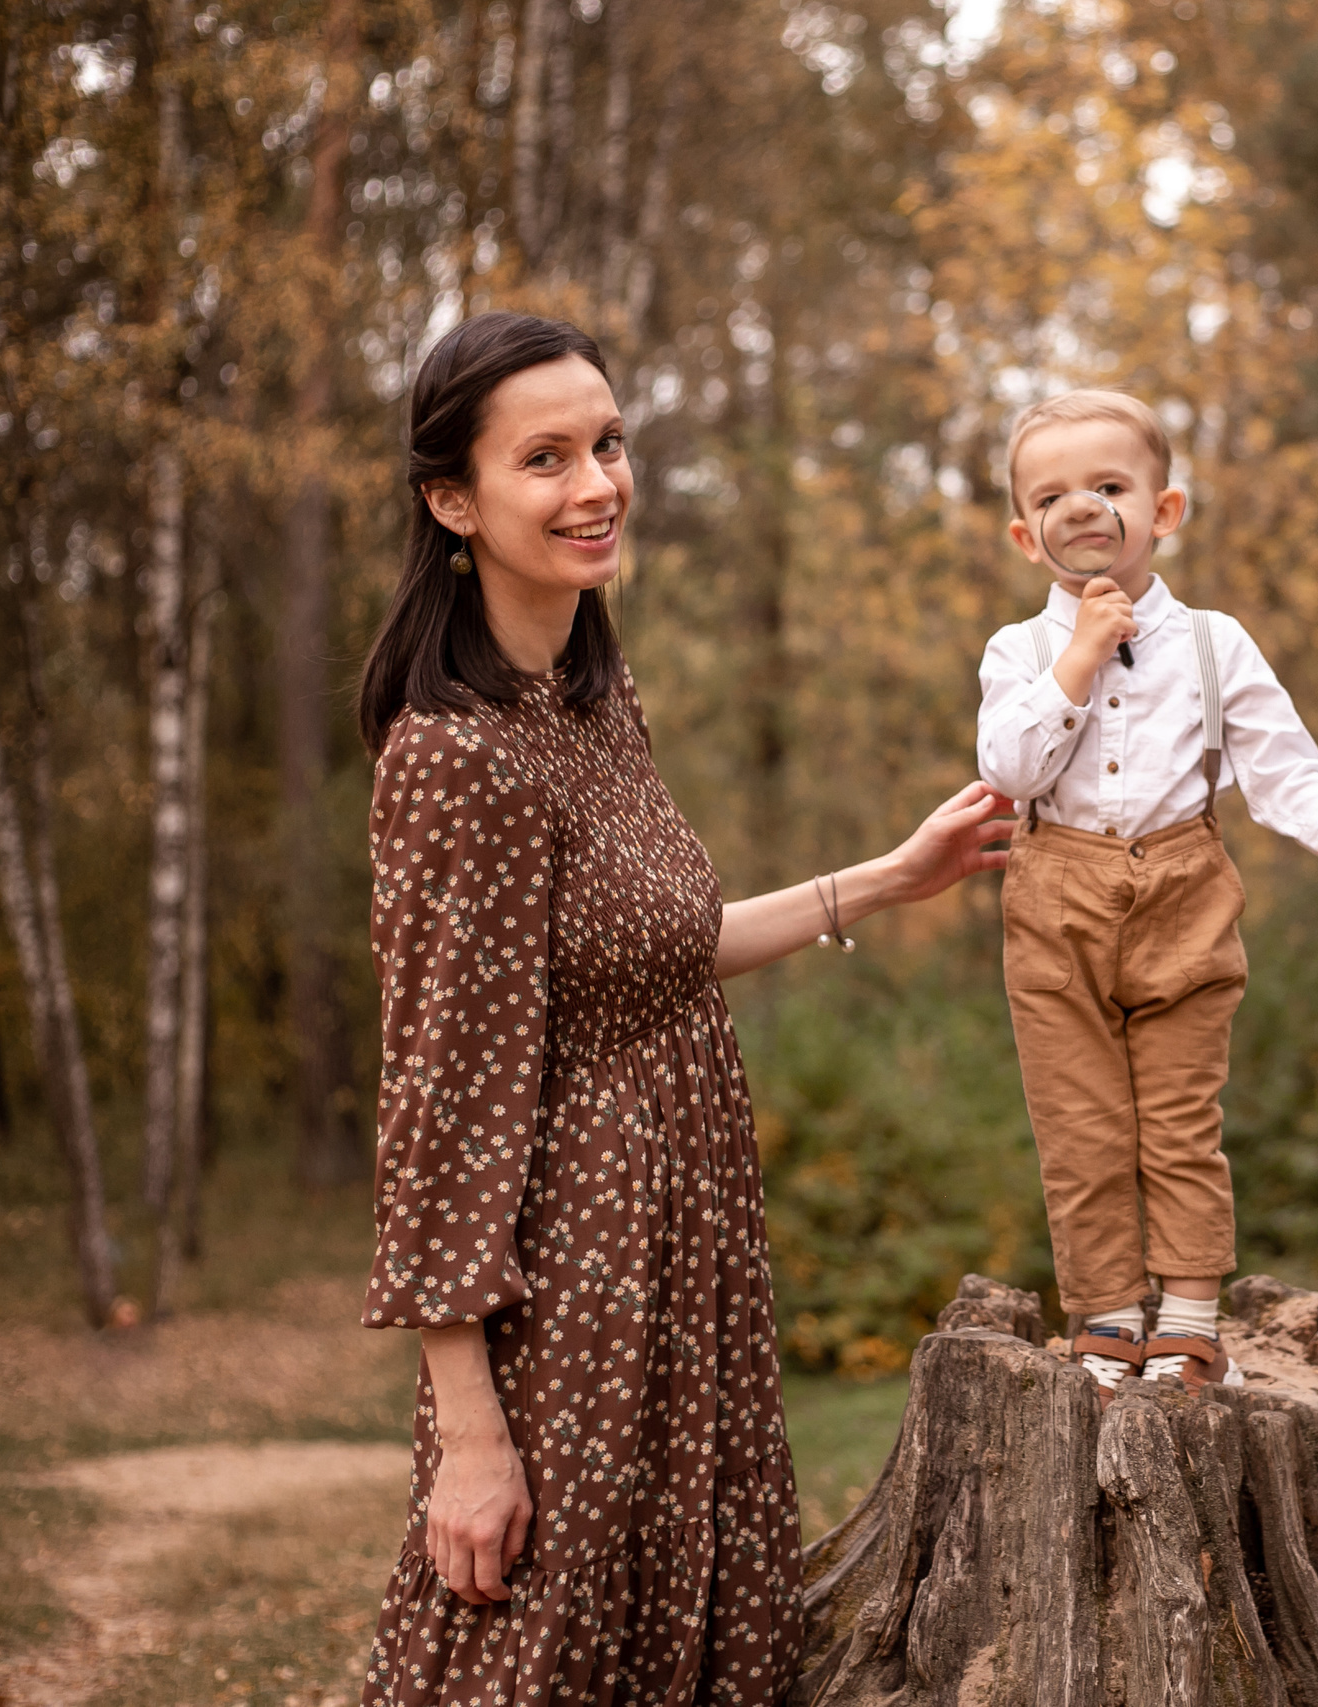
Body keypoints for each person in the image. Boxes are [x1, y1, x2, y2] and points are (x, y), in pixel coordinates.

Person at [352, 311, 1016, 1705]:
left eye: (606, 442)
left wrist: (889, 879)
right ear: (452, 498)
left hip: (688, 1238)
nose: (596, 483)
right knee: (539, 1643)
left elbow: (659, 951)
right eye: (544, 458)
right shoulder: (452, 754)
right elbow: (437, 1102)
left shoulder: (592, 698)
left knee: (684, 1623)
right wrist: (467, 1427)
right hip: (567, 1273)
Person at [975, 390, 1318, 1398]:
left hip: (1184, 883)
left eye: (1108, 488)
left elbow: (1279, 761)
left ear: (1162, 511)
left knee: (1178, 1117)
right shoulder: (1019, 654)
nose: (1085, 510)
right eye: (1056, 498)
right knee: (1080, 1126)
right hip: (1055, 893)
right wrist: (1077, 655)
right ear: (1029, 538)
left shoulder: (1213, 643)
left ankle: (1191, 1317)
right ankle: (1108, 1313)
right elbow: (1010, 769)